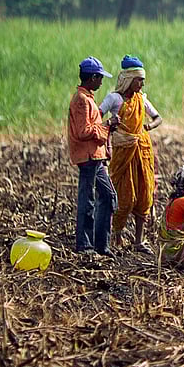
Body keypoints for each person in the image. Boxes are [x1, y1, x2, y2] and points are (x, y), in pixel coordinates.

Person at [100, 55, 162, 253]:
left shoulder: (141, 99)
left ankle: (138, 240)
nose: (142, 84)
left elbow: (158, 118)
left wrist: (147, 127)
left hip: (142, 150)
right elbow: (97, 117)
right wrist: (110, 125)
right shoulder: (114, 99)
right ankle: (116, 236)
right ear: (128, 79)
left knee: (144, 194)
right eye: (139, 80)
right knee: (125, 196)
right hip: (122, 151)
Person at [69, 56, 119, 256]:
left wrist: (106, 129)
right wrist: (107, 125)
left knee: (108, 196)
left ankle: (101, 245)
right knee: (87, 200)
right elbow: (83, 132)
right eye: (100, 78)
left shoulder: (87, 98)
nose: (101, 82)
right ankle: (85, 245)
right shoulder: (81, 100)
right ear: (92, 78)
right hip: (88, 157)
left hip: (96, 157)